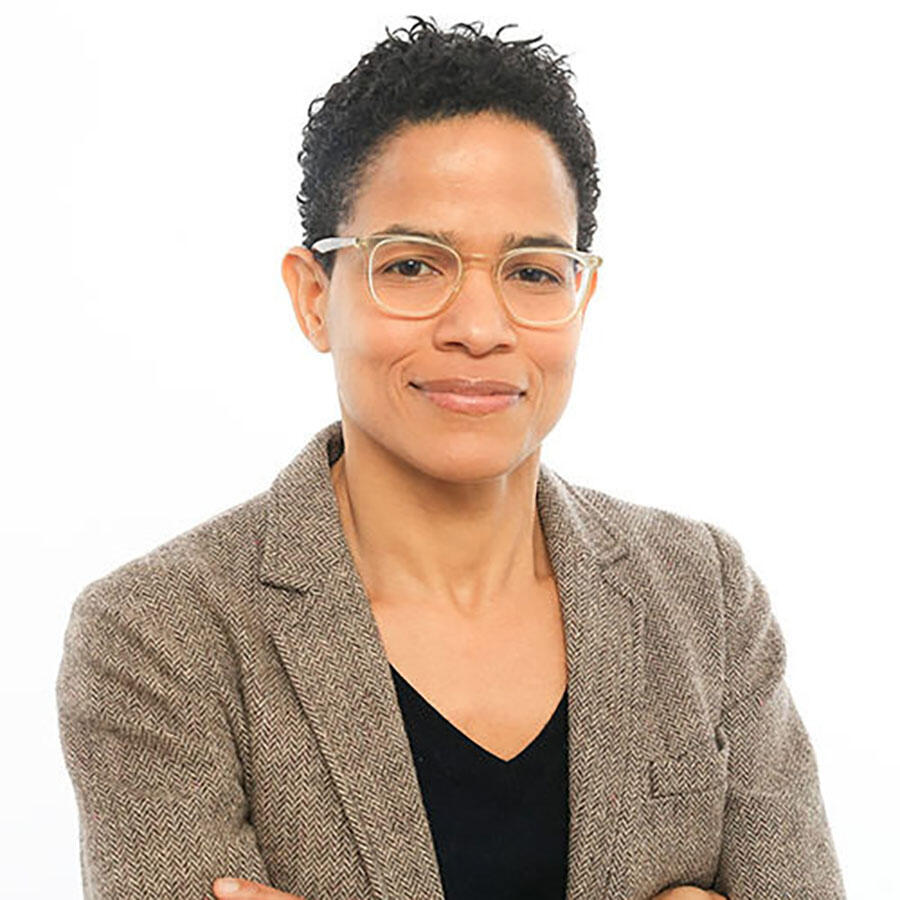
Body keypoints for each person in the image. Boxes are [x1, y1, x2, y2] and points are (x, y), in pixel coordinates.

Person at [56, 15, 846, 900]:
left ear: (582, 297)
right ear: (314, 297)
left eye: (535, 272)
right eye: (412, 265)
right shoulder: (159, 636)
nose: (478, 329)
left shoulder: (704, 595)